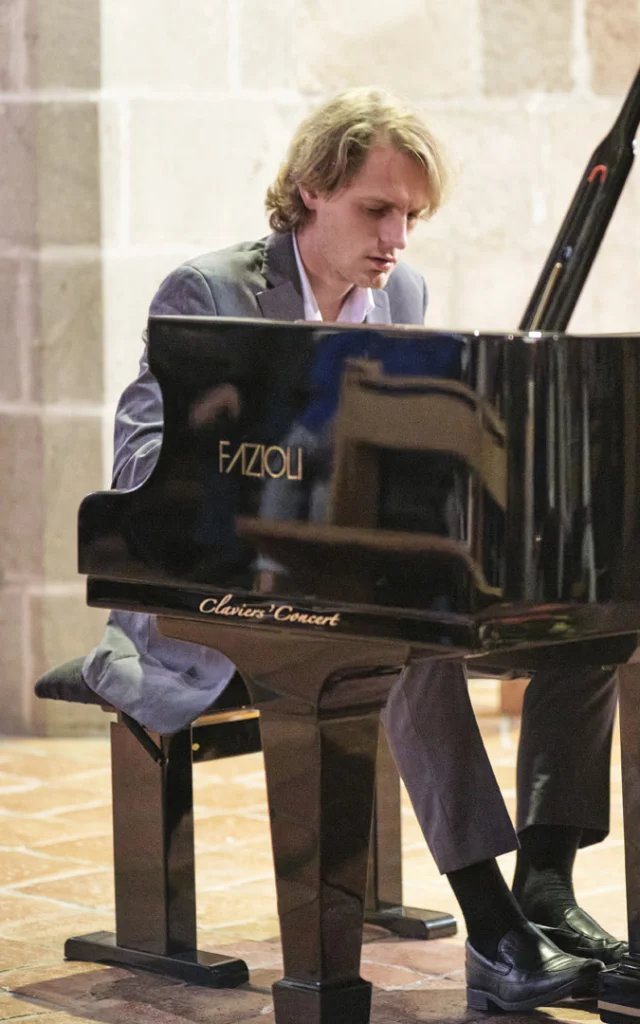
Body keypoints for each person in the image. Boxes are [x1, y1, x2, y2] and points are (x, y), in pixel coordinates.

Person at [84, 87, 623, 1011]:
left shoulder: (401, 293)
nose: (398, 239)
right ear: (308, 192)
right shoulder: (209, 290)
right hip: (210, 594)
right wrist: (263, 458)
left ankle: (546, 882)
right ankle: (491, 923)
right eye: (377, 209)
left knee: (591, 628)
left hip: (341, 572)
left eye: (410, 216)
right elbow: (141, 459)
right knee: (397, 637)